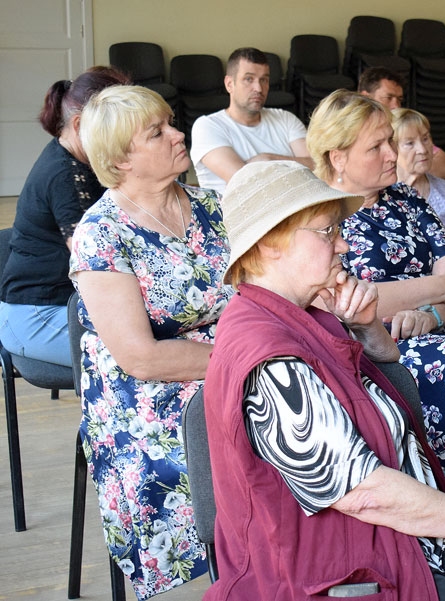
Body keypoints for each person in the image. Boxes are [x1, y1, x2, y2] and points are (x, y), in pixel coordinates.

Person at [203, 159, 445, 601]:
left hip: (408, 537)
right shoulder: (267, 354)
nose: (344, 245)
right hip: (339, 566)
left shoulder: (309, 313)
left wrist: (367, 328)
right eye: (327, 231)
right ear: (271, 244)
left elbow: (389, 377)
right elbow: (361, 491)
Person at [72, 85, 234, 598]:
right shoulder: (101, 233)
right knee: (230, 433)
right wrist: (243, 360)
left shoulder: (213, 207)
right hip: (145, 394)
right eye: (157, 132)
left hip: (233, 361)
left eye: (171, 122)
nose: (178, 134)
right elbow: (139, 356)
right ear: (121, 160)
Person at [306, 90, 445, 467]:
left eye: (390, 141)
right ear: (337, 156)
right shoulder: (316, 215)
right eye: (377, 147)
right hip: (381, 353)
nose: (392, 154)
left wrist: (433, 315)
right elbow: (346, 299)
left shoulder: (405, 197)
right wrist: (441, 289)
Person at [0, 66, 129, 367]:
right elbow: (98, 264)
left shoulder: (85, 159)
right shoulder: (65, 176)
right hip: (36, 315)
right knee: (133, 357)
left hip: (65, 304)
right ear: (80, 123)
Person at [190, 47, 312, 194]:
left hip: (294, 209)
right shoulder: (207, 126)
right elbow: (245, 183)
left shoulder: (285, 118)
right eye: (249, 79)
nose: (259, 88)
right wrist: (295, 168)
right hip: (236, 216)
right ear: (229, 84)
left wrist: (269, 159)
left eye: (264, 80)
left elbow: (318, 166)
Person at [392, 108, 445, 259]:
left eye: (425, 138)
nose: (422, 149)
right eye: (410, 143)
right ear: (392, 149)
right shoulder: (381, 197)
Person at [358, 66, 445, 182]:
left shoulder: (402, 129)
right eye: (388, 98)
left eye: (399, 99)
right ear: (366, 98)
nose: (396, 106)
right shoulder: (347, 133)